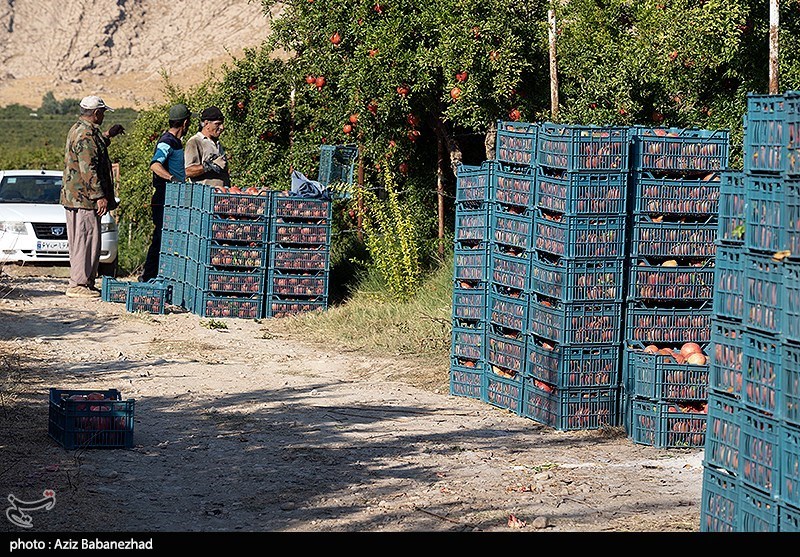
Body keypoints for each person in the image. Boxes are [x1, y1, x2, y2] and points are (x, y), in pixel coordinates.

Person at [61, 95, 125, 298]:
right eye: (103, 112)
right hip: (84, 199)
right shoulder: (86, 135)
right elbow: (88, 168)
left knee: (84, 239)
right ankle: (78, 284)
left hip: (77, 197)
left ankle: (84, 282)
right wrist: (99, 196)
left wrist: (108, 135)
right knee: (86, 240)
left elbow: (94, 148)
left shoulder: (80, 130)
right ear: (96, 113)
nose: (103, 116)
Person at [139, 103, 193, 282]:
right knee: (161, 238)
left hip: (172, 198)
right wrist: (171, 178)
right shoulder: (166, 142)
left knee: (168, 238)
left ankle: (159, 275)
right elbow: (155, 164)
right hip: (164, 198)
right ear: (185, 123)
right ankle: (148, 277)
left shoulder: (176, 142)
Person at [184, 106, 230, 188]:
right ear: (206, 123)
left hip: (221, 196)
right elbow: (187, 172)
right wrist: (209, 166)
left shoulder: (217, 143)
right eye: (217, 124)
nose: (222, 128)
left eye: (222, 124)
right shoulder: (195, 142)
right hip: (203, 197)